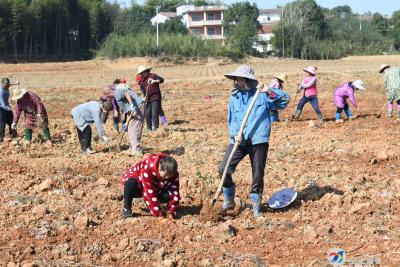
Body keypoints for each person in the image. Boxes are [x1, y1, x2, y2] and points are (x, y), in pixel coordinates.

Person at [219, 65, 289, 218]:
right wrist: (235, 134)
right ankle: (229, 200)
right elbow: (232, 119)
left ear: (248, 80)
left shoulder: (262, 94)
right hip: (239, 140)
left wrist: (269, 91)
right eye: (236, 78)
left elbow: (284, 101)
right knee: (223, 169)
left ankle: (256, 207)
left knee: (257, 174)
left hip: (259, 139)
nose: (237, 81)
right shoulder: (234, 96)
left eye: (240, 79)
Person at [121, 153, 180, 221]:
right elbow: (149, 192)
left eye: (169, 176)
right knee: (131, 183)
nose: (167, 178)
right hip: (138, 185)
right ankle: (127, 209)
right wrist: (159, 215)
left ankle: (154, 205)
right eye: (166, 176)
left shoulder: (173, 173)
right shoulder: (148, 167)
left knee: (167, 195)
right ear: (160, 167)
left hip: (155, 185)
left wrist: (171, 212)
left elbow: (174, 192)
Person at [114, 83, 145, 155]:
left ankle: (136, 149)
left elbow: (126, 94)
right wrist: (126, 121)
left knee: (134, 128)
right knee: (131, 127)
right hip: (135, 108)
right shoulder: (119, 91)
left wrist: (131, 105)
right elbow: (126, 107)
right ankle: (132, 148)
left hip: (137, 107)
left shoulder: (117, 92)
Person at [136, 65, 165, 131]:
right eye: (140, 74)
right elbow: (142, 89)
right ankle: (149, 128)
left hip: (155, 97)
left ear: (146, 72)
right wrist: (143, 96)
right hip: (147, 98)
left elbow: (162, 80)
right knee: (147, 113)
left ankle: (156, 128)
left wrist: (154, 81)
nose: (141, 75)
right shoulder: (141, 79)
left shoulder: (153, 76)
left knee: (154, 113)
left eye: (142, 73)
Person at [0, 78, 15, 143]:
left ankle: (13, 134)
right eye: (6, 84)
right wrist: (11, 109)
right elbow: (3, 104)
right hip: (1, 108)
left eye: (8, 84)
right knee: (2, 124)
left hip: (7, 107)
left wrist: (16, 84)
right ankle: (1, 139)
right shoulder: (1, 92)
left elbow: (9, 85)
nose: (7, 86)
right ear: (2, 83)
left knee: (12, 121)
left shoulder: (6, 86)